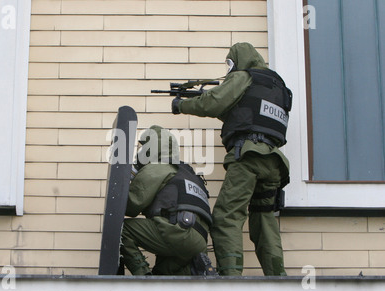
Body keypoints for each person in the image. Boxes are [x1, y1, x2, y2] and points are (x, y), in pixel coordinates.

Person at [171, 43, 292, 276]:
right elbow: (247, 110)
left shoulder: (244, 76)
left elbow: (214, 102)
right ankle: (278, 278)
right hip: (274, 162)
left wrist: (182, 104)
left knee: (227, 217)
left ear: (239, 60)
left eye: (230, 64)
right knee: (264, 220)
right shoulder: (278, 87)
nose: (229, 69)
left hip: (249, 156)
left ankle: (231, 279)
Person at [120, 125, 216, 276]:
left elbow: (130, 206)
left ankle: (143, 275)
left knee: (121, 230)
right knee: (164, 276)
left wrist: (131, 176)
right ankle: (201, 273)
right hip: (199, 243)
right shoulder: (189, 173)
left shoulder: (157, 168)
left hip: (175, 232)